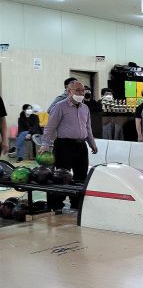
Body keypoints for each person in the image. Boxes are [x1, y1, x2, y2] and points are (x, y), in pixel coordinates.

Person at [39, 81, 98, 212]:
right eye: (77, 90)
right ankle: (57, 205)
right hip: (64, 145)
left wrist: (92, 143)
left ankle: (76, 204)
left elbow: (87, 128)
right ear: (68, 91)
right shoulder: (59, 106)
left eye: (82, 91)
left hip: (81, 146)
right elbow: (50, 127)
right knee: (61, 176)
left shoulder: (85, 108)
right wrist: (45, 144)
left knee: (81, 176)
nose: (81, 93)